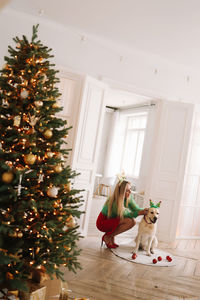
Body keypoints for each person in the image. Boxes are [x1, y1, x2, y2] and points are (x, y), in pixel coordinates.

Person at [96, 180, 148, 248]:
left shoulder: (128, 197)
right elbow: (127, 215)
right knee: (130, 221)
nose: (130, 192)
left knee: (131, 221)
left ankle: (110, 236)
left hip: (113, 220)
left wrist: (147, 210)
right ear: (121, 192)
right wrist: (139, 213)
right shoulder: (115, 202)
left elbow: (136, 209)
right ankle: (108, 236)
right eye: (127, 190)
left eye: (130, 189)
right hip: (103, 222)